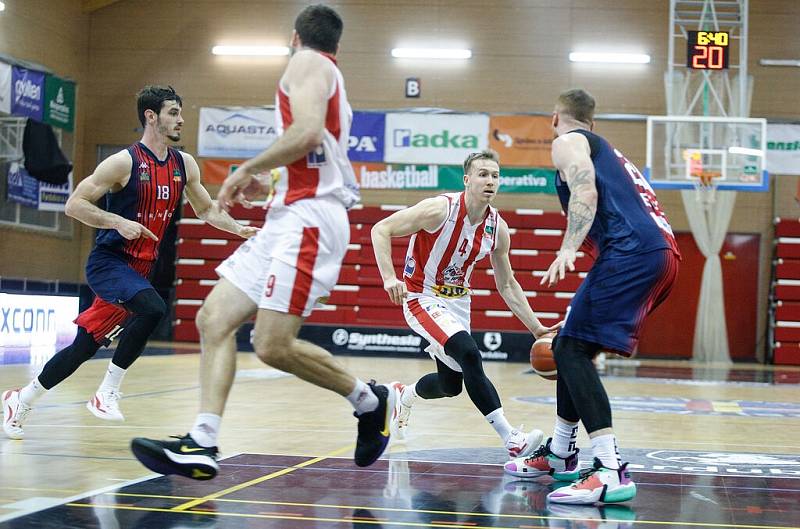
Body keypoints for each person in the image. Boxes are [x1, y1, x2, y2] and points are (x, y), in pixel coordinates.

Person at [130, 4, 399, 480]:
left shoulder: (308, 63)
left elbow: (308, 131)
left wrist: (248, 167)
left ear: (295, 37)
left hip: (311, 220)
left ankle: (369, 401)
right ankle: (203, 442)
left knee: (272, 345)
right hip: (291, 214)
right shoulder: (323, 68)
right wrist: (272, 180)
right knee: (214, 317)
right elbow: (314, 150)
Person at [1, 85, 257, 440]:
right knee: (152, 308)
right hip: (109, 263)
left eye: (180, 112)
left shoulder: (185, 164)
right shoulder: (123, 162)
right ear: (151, 117)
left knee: (82, 347)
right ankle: (107, 392)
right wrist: (117, 221)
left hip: (139, 269)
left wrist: (239, 229)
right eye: (172, 112)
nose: (181, 119)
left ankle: (21, 399)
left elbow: (206, 209)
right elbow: (74, 204)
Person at [504, 89, 680, 505]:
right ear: (593, 121)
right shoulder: (610, 151)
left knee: (571, 350)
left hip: (633, 252)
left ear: (554, 119)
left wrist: (568, 247)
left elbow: (585, 191)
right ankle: (562, 454)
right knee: (570, 346)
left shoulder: (567, 141)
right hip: (659, 254)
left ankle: (609, 469)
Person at [370, 149, 561, 459]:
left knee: (450, 385)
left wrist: (536, 327)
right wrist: (390, 278)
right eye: (483, 174)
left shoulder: (497, 228)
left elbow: (507, 283)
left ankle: (402, 394)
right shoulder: (438, 209)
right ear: (467, 179)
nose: (490, 181)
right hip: (422, 296)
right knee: (470, 353)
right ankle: (511, 438)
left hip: (458, 302)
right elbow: (381, 229)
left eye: (495, 176)